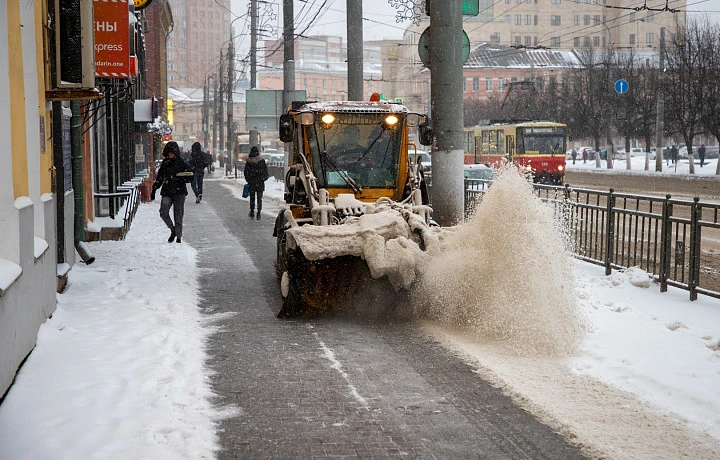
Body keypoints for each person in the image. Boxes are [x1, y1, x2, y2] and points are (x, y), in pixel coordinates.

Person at [151, 141, 193, 243]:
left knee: (178, 215)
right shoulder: (165, 164)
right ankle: (173, 229)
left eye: (172, 153)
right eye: (169, 153)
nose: (170, 155)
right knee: (163, 212)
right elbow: (160, 177)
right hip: (167, 191)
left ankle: (178, 237)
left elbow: (190, 176)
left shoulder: (181, 163)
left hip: (179, 191)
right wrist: (154, 189)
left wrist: (178, 178)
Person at [243, 146, 270, 220]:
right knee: (259, 198)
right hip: (260, 183)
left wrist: (248, 179)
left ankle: (252, 211)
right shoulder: (261, 161)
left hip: (252, 183)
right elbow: (266, 172)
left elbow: (246, 172)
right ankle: (258, 212)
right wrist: (263, 179)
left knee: (252, 198)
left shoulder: (249, 161)